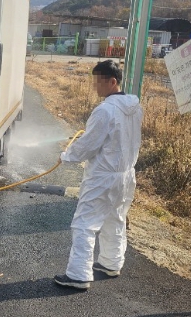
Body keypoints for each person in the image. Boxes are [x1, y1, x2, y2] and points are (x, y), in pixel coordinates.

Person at [54, 59, 143, 290]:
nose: (95, 87)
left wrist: (66, 156)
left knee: (85, 223)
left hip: (104, 177)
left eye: (98, 82)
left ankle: (79, 275)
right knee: (116, 219)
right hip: (126, 175)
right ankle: (111, 263)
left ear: (112, 82)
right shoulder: (135, 107)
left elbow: (89, 145)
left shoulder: (105, 110)